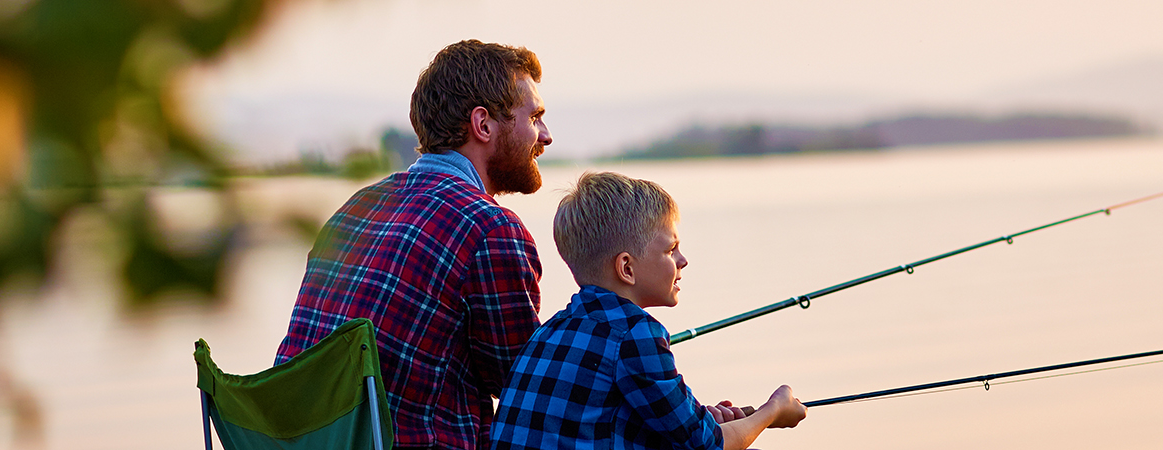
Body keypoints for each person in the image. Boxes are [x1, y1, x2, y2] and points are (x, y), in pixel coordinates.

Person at [274, 40, 553, 450]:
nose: (546, 135)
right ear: (483, 124)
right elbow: (526, 386)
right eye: (535, 117)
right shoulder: (490, 229)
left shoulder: (356, 206)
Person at [490, 172, 808, 450]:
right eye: (671, 249)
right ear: (626, 267)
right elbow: (709, 445)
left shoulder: (550, 330)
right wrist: (773, 411)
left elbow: (603, 420)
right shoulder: (636, 333)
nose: (683, 260)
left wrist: (700, 417)